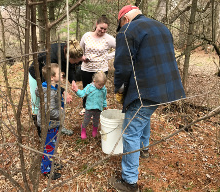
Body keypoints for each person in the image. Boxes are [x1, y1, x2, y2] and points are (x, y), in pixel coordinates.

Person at [109, 5, 186, 191]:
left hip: (145, 90)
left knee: (130, 131)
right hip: (166, 89)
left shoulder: (127, 30)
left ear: (124, 20)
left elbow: (122, 66)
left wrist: (118, 89)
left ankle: (129, 182)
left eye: (120, 25)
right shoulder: (161, 26)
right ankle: (144, 148)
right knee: (143, 116)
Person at [29, 40, 85, 135]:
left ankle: (57, 127)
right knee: (39, 105)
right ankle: (42, 133)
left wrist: (73, 81)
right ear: (69, 57)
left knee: (56, 104)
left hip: (51, 78)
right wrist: (63, 91)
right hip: (37, 75)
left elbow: (70, 67)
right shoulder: (52, 58)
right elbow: (48, 83)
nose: (76, 63)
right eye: (75, 61)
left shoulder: (69, 50)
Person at [79, 15, 116, 116]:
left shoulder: (109, 38)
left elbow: (120, 48)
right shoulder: (86, 35)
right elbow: (79, 48)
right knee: (87, 89)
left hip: (101, 70)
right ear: (96, 25)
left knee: (99, 90)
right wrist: (82, 57)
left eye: (105, 29)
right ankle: (85, 107)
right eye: (101, 28)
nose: (103, 31)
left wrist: (108, 56)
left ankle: (97, 109)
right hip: (86, 68)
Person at [35, 63, 64, 180]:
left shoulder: (51, 88)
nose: (62, 75)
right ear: (52, 77)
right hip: (49, 125)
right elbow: (50, 112)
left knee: (51, 145)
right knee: (48, 147)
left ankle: (50, 163)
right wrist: (62, 113)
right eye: (59, 73)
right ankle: (46, 170)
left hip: (52, 124)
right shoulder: (49, 92)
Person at [71, 71, 107, 139]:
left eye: (103, 85)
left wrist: (104, 105)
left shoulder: (103, 89)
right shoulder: (89, 87)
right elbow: (82, 94)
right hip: (89, 108)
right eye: (99, 85)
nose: (101, 87)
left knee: (96, 121)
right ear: (94, 81)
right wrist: (76, 90)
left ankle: (95, 130)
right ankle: (83, 129)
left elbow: (104, 98)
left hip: (98, 108)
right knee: (86, 120)